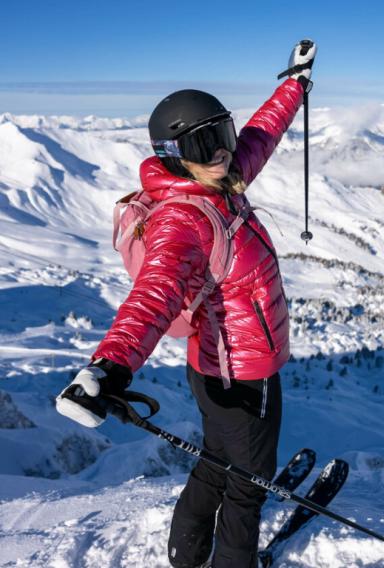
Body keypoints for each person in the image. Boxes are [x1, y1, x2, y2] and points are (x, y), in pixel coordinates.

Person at [55, 40, 318, 568]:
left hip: (214, 366)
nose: (220, 153)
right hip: (243, 373)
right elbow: (152, 298)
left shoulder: (219, 183)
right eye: (203, 146)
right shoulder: (186, 219)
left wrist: (293, 84)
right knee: (247, 486)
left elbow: (262, 135)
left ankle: (187, 553)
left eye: (222, 136)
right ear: (175, 156)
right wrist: (108, 368)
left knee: (219, 461)